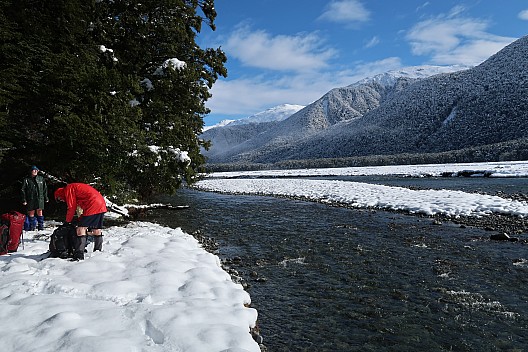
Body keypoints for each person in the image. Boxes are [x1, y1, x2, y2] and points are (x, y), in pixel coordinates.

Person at [54, 183, 107, 260]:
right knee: (96, 229)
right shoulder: (74, 188)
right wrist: (81, 218)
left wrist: (67, 221)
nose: (62, 200)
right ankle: (98, 251)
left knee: (80, 229)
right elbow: (83, 204)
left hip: (92, 204)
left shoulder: (68, 189)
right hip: (101, 203)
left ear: (60, 194)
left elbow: (71, 207)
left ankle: (79, 255)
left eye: (59, 199)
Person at [21, 165, 49, 231]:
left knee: (40, 211)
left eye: (36, 170)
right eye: (34, 170)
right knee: (31, 212)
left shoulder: (41, 178)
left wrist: (46, 197)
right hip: (31, 198)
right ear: (31, 171)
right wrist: (24, 199)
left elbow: (45, 189)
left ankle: (40, 226)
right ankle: (32, 226)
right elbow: (23, 190)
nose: (35, 171)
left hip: (40, 198)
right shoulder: (27, 180)